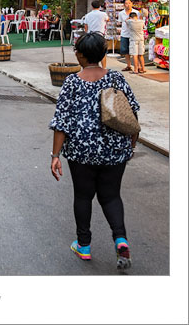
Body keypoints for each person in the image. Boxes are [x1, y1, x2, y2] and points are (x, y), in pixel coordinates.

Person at [49, 32, 139, 270]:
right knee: (111, 196)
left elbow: (62, 123)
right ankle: (120, 239)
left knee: (83, 196)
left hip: (81, 152)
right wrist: (131, 143)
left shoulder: (72, 82)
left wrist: (55, 156)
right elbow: (132, 113)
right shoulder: (117, 79)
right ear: (101, 55)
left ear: (80, 55)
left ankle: (84, 245)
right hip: (115, 150)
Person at [83, 0, 110, 67]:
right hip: (101, 35)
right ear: (100, 6)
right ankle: (104, 67)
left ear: (92, 6)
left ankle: (90, 66)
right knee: (102, 52)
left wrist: (86, 34)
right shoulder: (103, 14)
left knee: (91, 51)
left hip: (91, 35)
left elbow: (86, 26)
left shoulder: (88, 15)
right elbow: (108, 19)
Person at [117, 0, 140, 72]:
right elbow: (119, 22)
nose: (128, 5)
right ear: (124, 5)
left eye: (129, 3)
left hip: (134, 34)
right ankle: (128, 65)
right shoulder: (121, 13)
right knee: (125, 51)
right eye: (126, 3)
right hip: (125, 33)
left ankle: (137, 66)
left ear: (132, 4)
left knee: (135, 51)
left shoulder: (136, 12)